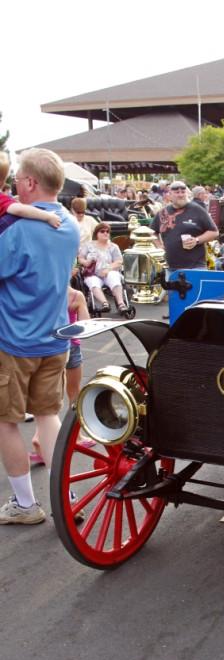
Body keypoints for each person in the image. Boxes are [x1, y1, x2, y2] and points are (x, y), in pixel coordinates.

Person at [0, 148, 80, 524]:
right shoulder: (70, 224)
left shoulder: (18, 230)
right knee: (49, 415)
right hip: (55, 337)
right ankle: (66, 496)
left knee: (6, 421)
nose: (14, 187)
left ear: (31, 183)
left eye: (17, 180)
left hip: (14, 340)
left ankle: (25, 505)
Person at [30, 287, 93, 465]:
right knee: (74, 392)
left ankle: (39, 435)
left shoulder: (44, 292)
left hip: (45, 348)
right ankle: (78, 435)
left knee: (47, 397)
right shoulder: (75, 296)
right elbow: (86, 326)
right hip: (70, 347)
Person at [150, 180, 218, 273]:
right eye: (177, 192)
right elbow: (152, 232)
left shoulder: (197, 209)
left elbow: (214, 232)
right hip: (170, 267)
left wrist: (196, 240)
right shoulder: (163, 213)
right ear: (169, 195)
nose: (181, 195)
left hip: (195, 267)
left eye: (183, 192)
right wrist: (159, 246)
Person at [0, 151, 62, 234]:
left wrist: (11, 200)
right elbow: (19, 210)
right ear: (2, 182)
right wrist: (48, 216)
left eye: (17, 179)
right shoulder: (71, 224)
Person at [78, 222, 128, 314]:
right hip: (93, 273)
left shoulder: (113, 246)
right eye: (102, 231)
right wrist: (86, 262)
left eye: (107, 231)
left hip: (108, 272)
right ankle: (105, 303)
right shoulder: (88, 245)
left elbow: (119, 261)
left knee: (114, 277)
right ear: (96, 233)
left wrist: (108, 269)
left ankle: (121, 304)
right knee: (92, 282)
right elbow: (80, 258)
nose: (106, 233)